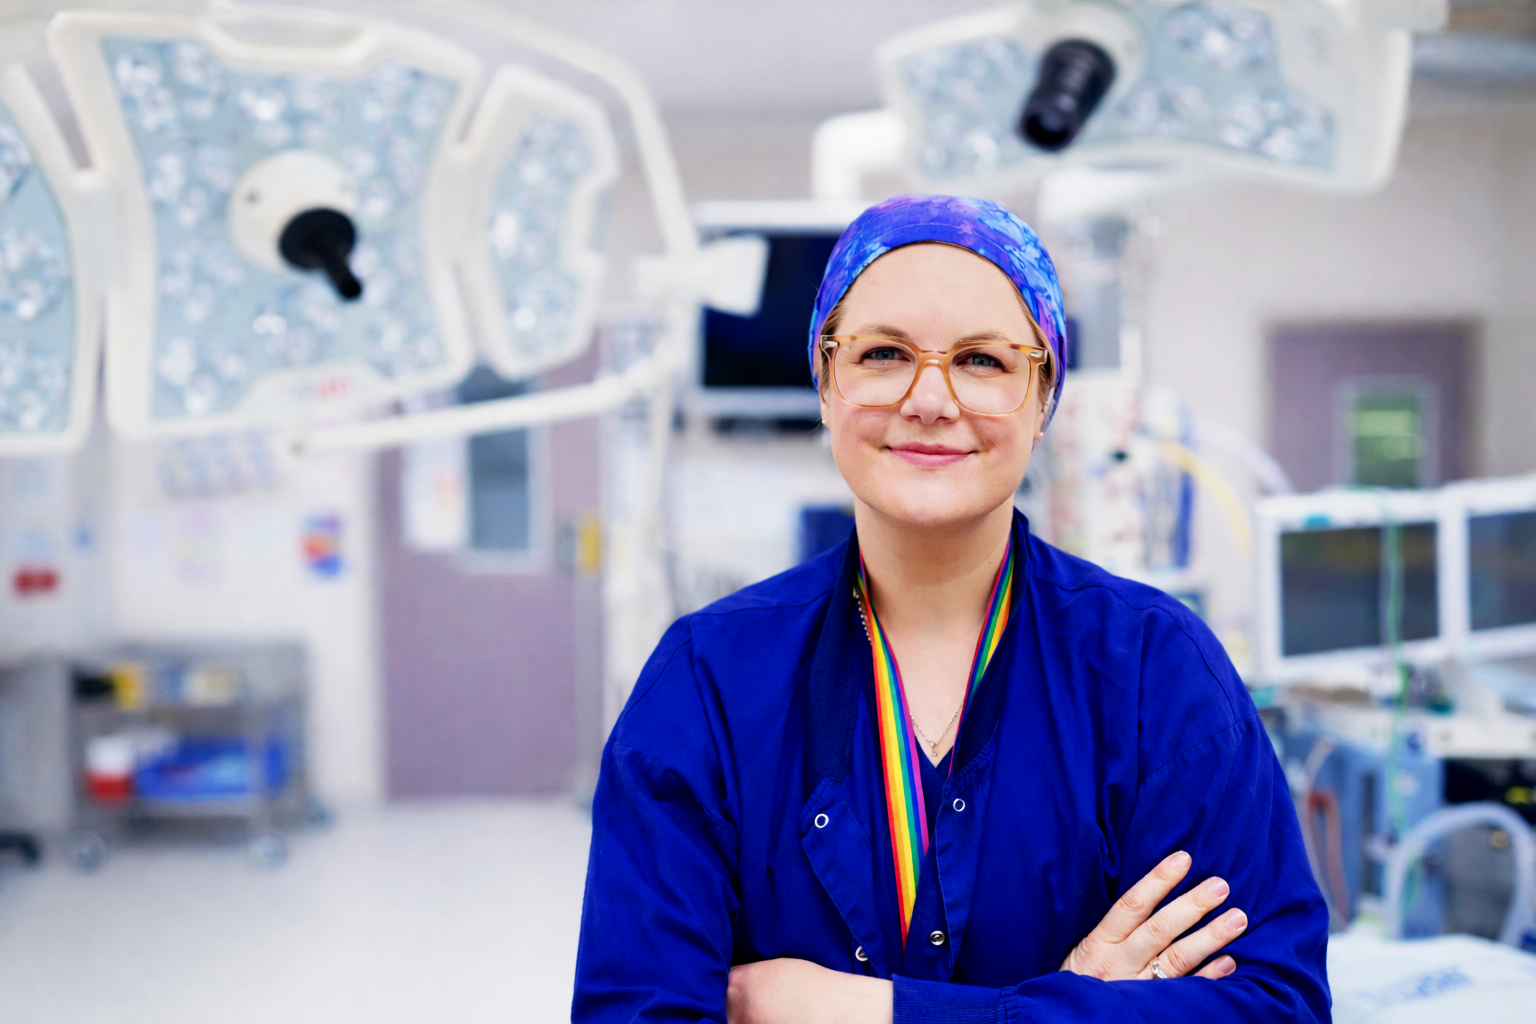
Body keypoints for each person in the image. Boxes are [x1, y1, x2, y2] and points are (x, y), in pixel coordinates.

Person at [573, 195, 1329, 1024]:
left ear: (1043, 397)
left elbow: (1274, 1008)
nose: (930, 399)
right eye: (885, 353)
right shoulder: (708, 685)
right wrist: (1076, 1004)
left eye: (982, 361)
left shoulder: (1156, 671)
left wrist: (859, 1012)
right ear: (826, 382)